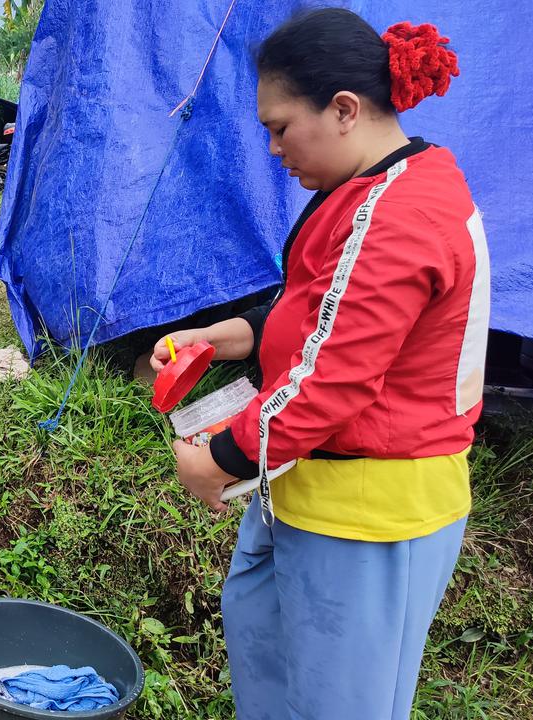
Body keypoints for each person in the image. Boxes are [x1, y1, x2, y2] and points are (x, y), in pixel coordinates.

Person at [151, 10, 482, 719]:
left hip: (368, 515)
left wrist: (222, 458)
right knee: (274, 681)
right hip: (306, 488)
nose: (272, 148)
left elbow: (334, 375)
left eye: (279, 126)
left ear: (343, 110)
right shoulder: (362, 191)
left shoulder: (398, 215)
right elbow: (311, 311)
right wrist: (220, 336)